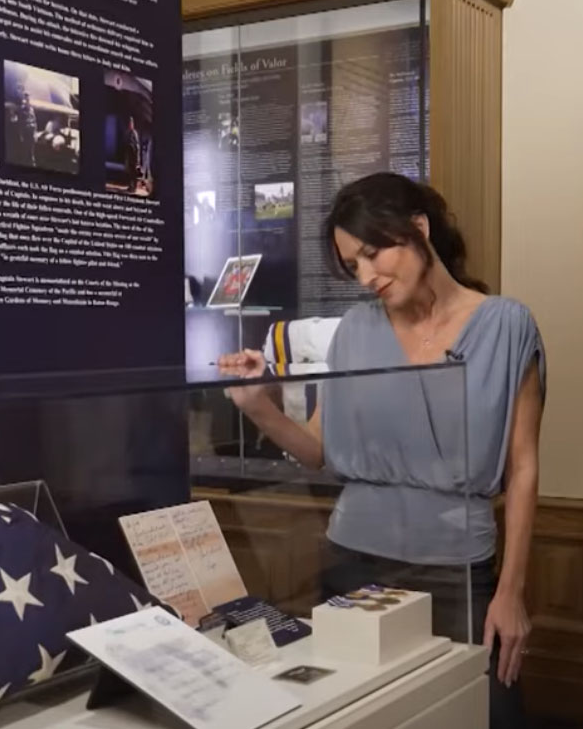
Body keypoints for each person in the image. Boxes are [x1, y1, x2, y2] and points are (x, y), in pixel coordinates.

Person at [220, 172, 545, 728]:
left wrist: (510, 591)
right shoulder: (355, 328)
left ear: (419, 228)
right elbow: (318, 449)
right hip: (353, 565)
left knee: (483, 713)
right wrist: (258, 405)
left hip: (458, 571)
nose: (366, 276)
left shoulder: (506, 325)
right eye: (353, 265)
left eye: (373, 254)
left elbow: (523, 468)